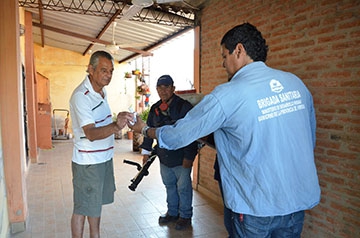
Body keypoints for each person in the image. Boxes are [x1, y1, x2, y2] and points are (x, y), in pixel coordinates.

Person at [129, 23, 321, 237]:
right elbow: (308, 140)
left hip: (255, 206)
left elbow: (177, 135)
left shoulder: (228, 94)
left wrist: (145, 130)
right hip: (296, 203)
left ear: (238, 50)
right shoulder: (296, 84)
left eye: (224, 56)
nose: (223, 64)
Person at [69, 51, 133, 238]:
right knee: (82, 207)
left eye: (111, 71)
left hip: (103, 159)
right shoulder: (81, 96)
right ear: (90, 69)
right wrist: (115, 125)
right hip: (88, 163)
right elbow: (90, 133)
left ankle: (95, 235)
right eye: (104, 70)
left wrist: (118, 119)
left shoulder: (101, 91)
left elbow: (102, 122)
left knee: (94, 204)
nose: (108, 75)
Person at [139, 75, 199, 230]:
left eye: (166, 87)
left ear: (173, 88)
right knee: (169, 186)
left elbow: (192, 133)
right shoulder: (155, 108)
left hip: (181, 158)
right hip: (164, 157)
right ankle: (173, 213)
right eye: (160, 88)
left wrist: (189, 157)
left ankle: (185, 216)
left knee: (183, 189)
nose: (163, 91)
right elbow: (148, 130)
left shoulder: (184, 107)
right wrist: (145, 152)